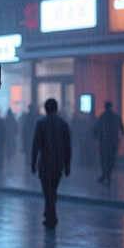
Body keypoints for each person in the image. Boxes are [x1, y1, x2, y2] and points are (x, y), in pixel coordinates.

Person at [31, 98, 71, 228]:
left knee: (47, 191)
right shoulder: (63, 124)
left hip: (45, 164)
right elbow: (67, 146)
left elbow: (36, 145)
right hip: (58, 164)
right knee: (53, 190)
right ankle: (50, 214)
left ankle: (50, 215)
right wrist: (67, 164)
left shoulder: (41, 123)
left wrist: (32, 163)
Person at [94, 101, 124, 184]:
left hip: (104, 141)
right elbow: (122, 128)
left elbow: (96, 129)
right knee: (111, 158)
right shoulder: (116, 116)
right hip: (113, 141)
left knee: (104, 159)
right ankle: (108, 174)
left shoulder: (102, 116)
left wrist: (96, 137)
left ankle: (105, 174)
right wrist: (120, 137)